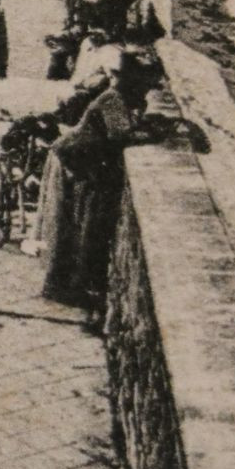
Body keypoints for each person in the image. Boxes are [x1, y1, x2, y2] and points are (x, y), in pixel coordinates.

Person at [41, 54, 155, 327]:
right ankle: (67, 289)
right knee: (73, 225)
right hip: (72, 162)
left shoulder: (119, 98)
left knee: (75, 225)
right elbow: (120, 135)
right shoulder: (113, 99)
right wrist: (152, 135)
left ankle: (69, 288)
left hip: (84, 165)